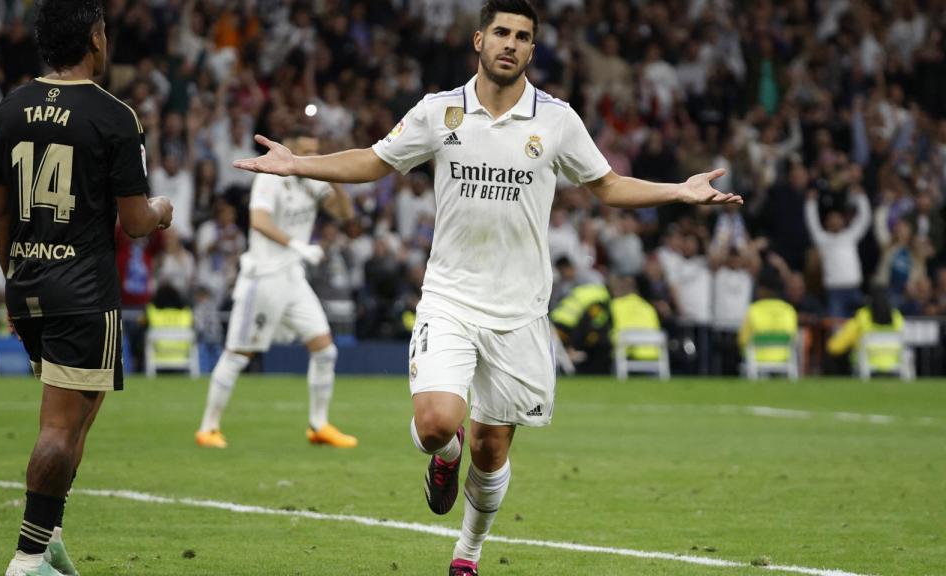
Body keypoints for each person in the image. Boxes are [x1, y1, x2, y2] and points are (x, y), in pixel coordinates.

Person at [231, 1, 740, 573]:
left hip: (520, 310)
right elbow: (374, 162)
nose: (511, 44)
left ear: (531, 49)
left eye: (523, 37)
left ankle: (466, 555)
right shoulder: (438, 110)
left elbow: (609, 186)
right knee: (436, 424)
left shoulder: (557, 120)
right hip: (449, 297)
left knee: (492, 448)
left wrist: (679, 191)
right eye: (501, 32)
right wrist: (298, 164)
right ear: (478, 39)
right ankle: (443, 459)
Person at [0, 1, 173, 574]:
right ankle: (27, 556)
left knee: (79, 413)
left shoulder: (9, 109)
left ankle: (51, 534)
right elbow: (135, 223)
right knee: (62, 426)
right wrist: (161, 209)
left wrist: (15, 280)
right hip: (83, 290)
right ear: (94, 39)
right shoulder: (115, 116)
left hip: (29, 280)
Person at [196, 128, 357, 449]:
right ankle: (208, 428)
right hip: (263, 277)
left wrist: (335, 176)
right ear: (292, 150)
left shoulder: (315, 178)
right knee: (239, 353)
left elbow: (345, 215)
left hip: (292, 278)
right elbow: (258, 221)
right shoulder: (271, 177)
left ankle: (318, 425)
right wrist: (298, 245)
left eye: (317, 151)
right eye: (308, 151)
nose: (314, 156)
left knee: (325, 350)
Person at [805, 187, 871, 317]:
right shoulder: (823, 239)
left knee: (861, 324)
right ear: (826, 223)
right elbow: (812, 224)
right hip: (835, 291)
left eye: (837, 218)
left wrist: (861, 198)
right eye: (831, 219)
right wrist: (810, 203)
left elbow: (864, 219)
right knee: (836, 327)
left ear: (843, 221)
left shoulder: (850, 236)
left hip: (854, 288)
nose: (835, 221)